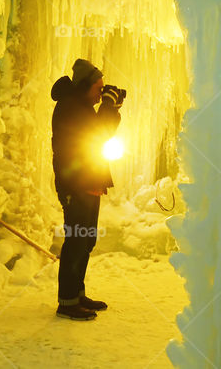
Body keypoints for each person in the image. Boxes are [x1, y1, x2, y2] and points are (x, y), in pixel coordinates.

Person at [50, 58, 124, 320]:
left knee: (86, 240)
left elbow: (102, 134)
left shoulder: (80, 105)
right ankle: (67, 302)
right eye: (99, 88)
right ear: (85, 86)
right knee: (76, 241)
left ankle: (77, 293)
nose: (101, 93)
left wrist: (111, 107)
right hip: (76, 186)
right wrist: (108, 107)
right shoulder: (71, 107)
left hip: (89, 183)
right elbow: (97, 133)